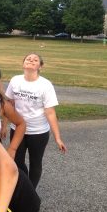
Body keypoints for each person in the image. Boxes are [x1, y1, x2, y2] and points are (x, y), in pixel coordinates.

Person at [5, 53, 67, 189]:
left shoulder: (45, 85)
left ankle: (31, 191)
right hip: (17, 129)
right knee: (17, 161)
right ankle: (24, 186)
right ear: (23, 63)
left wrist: (58, 138)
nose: (31, 61)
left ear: (40, 66)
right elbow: (10, 104)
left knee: (35, 162)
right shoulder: (15, 80)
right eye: (28, 59)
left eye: (35, 60)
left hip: (38, 132)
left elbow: (50, 112)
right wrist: (4, 125)